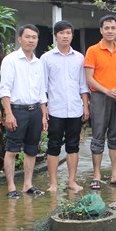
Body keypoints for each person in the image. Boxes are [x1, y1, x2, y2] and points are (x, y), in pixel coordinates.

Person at [0, 24, 48, 199]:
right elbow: (4, 89)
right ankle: (11, 187)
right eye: (27, 37)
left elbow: (41, 91)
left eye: (34, 37)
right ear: (20, 39)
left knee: (32, 149)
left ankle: (28, 184)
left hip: (35, 111)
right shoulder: (11, 60)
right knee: (12, 149)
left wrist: (44, 114)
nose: (31, 40)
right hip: (17, 111)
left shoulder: (38, 63)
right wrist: (8, 113)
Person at [41, 20, 90, 192]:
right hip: (55, 109)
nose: (65, 36)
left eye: (68, 33)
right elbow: (42, 87)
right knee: (53, 146)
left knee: (73, 146)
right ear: (55, 36)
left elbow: (83, 85)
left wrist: (85, 107)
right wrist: (44, 110)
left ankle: (71, 181)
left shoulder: (79, 58)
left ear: (72, 35)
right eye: (61, 33)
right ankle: (53, 183)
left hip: (75, 109)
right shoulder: (46, 58)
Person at [83, 15, 116, 189]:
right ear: (101, 30)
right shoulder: (93, 50)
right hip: (100, 97)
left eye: (113, 28)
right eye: (106, 28)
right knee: (98, 136)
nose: (110, 31)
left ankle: (115, 174)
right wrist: (107, 91)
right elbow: (89, 79)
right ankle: (97, 175)